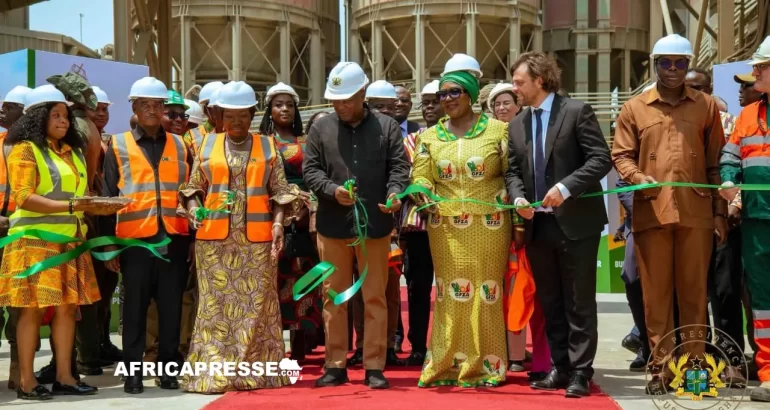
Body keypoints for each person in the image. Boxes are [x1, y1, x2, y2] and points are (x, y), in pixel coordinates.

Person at [612, 35, 727, 394]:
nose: (674, 70)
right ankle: (662, 370)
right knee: (656, 298)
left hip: (697, 214)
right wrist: (636, 177)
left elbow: (717, 164)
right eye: (666, 63)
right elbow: (621, 155)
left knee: (694, 297)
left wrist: (720, 215)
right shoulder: (634, 107)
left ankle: (694, 372)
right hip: (651, 214)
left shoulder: (706, 107)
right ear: (654, 64)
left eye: (680, 63)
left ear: (688, 64)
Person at [0, 85, 120, 400]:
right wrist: (74, 207)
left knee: (68, 310)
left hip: (70, 243)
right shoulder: (25, 149)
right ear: (38, 117)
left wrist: (99, 205)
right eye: (55, 115)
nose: (64, 121)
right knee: (32, 312)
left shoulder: (71, 152)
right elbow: (25, 196)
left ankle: (65, 377)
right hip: (34, 244)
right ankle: (27, 382)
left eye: (65, 115)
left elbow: (77, 195)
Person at [505, 51, 611, 397]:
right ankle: (560, 367)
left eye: (519, 82)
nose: (514, 88)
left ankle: (581, 371)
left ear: (540, 80)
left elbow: (601, 159)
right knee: (550, 300)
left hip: (577, 223)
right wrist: (518, 198)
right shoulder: (518, 123)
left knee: (578, 302)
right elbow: (512, 171)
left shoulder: (576, 112)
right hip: (537, 226)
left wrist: (566, 188)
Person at [179, 81, 293, 393]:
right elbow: (192, 186)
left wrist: (279, 225)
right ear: (219, 116)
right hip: (213, 242)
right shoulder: (205, 145)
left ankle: (255, 371)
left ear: (253, 114)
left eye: (243, 115)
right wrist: (193, 208)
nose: (237, 122)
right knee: (215, 308)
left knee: (259, 306)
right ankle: (215, 372)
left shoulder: (268, 146)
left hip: (257, 240)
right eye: (230, 116)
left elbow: (281, 192)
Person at [303, 61, 409, 389]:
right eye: (335, 100)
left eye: (347, 99)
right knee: (333, 296)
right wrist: (331, 190)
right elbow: (310, 170)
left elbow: (399, 168)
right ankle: (334, 365)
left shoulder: (387, 128)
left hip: (374, 226)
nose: (341, 106)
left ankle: (374, 365)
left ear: (363, 93)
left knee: (374, 297)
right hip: (333, 227)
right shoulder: (320, 129)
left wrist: (394, 194)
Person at [411, 55, 510, 388]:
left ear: (470, 94)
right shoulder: (429, 137)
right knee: (449, 295)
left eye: (455, 92)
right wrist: (421, 192)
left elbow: (514, 174)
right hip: (447, 228)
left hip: (491, 226)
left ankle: (488, 367)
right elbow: (421, 175)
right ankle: (444, 364)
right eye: (442, 94)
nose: (448, 99)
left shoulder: (498, 130)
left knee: (488, 293)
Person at [100, 76, 192, 394]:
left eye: (157, 105)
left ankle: (168, 371)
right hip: (134, 241)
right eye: (145, 105)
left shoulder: (181, 145)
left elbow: (189, 195)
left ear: (164, 108)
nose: (152, 110)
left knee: (170, 310)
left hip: (173, 239)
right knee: (134, 311)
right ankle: (133, 374)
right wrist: (109, 245)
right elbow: (108, 197)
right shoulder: (118, 144)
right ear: (134, 107)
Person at [685, 66, 747, 387]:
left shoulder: (729, 124)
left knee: (725, 293)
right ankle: (702, 364)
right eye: (689, 88)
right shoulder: (677, 123)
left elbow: (738, 169)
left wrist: (733, 207)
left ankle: (733, 362)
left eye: (700, 88)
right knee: (694, 297)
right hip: (688, 223)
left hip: (724, 221)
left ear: (709, 88)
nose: (696, 94)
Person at [719, 35, 770, 402]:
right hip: (757, 223)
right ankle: (769, 373)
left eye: (761, 67)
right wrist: (727, 178)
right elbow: (731, 154)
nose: (754, 73)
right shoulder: (748, 115)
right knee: (763, 302)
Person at [258, 82, 323, 362]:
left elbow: (314, 179)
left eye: (289, 104)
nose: (284, 109)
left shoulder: (305, 142)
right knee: (270, 284)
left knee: (303, 282)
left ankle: (299, 348)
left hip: (303, 222)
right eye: (278, 104)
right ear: (269, 110)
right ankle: (270, 348)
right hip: (268, 218)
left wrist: (308, 207)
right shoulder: (260, 142)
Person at [353, 79, 403, 366]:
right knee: (361, 291)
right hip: (354, 225)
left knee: (389, 290)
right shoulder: (357, 134)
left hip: (389, 225)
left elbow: (400, 172)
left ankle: (387, 346)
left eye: (388, 106)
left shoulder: (392, 135)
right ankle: (363, 347)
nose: (383, 112)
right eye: (377, 106)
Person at [144, 89, 193, 364]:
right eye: (170, 114)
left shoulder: (185, 148)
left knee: (180, 297)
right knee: (151, 298)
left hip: (178, 233)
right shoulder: (137, 145)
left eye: (182, 115)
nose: (177, 120)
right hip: (145, 231)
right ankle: (151, 352)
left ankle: (179, 349)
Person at [399, 80, 442, 367]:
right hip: (418, 226)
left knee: (455, 287)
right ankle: (417, 346)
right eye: (425, 102)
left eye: (434, 100)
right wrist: (428, 202)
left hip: (458, 224)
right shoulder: (411, 140)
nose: (429, 107)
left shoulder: (464, 138)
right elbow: (406, 175)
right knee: (418, 287)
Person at [85, 85, 124, 365]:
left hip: (107, 221)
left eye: (105, 109)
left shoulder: (108, 142)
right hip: (88, 223)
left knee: (107, 284)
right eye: (96, 108)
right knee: (91, 289)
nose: (101, 113)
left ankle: (102, 341)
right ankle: (86, 353)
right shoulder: (79, 138)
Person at [0, 85, 31, 390]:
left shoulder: (39, 150)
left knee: (21, 307)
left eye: (9, 107)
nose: (2, 111)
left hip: (23, 236)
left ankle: (19, 373)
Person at [185, 81, 223, 156]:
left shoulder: (238, 133)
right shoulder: (191, 136)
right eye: (213, 106)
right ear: (205, 110)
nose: (219, 110)